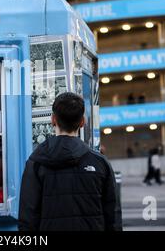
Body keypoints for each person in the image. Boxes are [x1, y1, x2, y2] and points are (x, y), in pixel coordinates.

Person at [18, 92, 122, 231]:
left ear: (53, 120)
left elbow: (27, 219)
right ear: (82, 122)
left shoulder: (36, 163)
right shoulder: (100, 163)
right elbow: (113, 217)